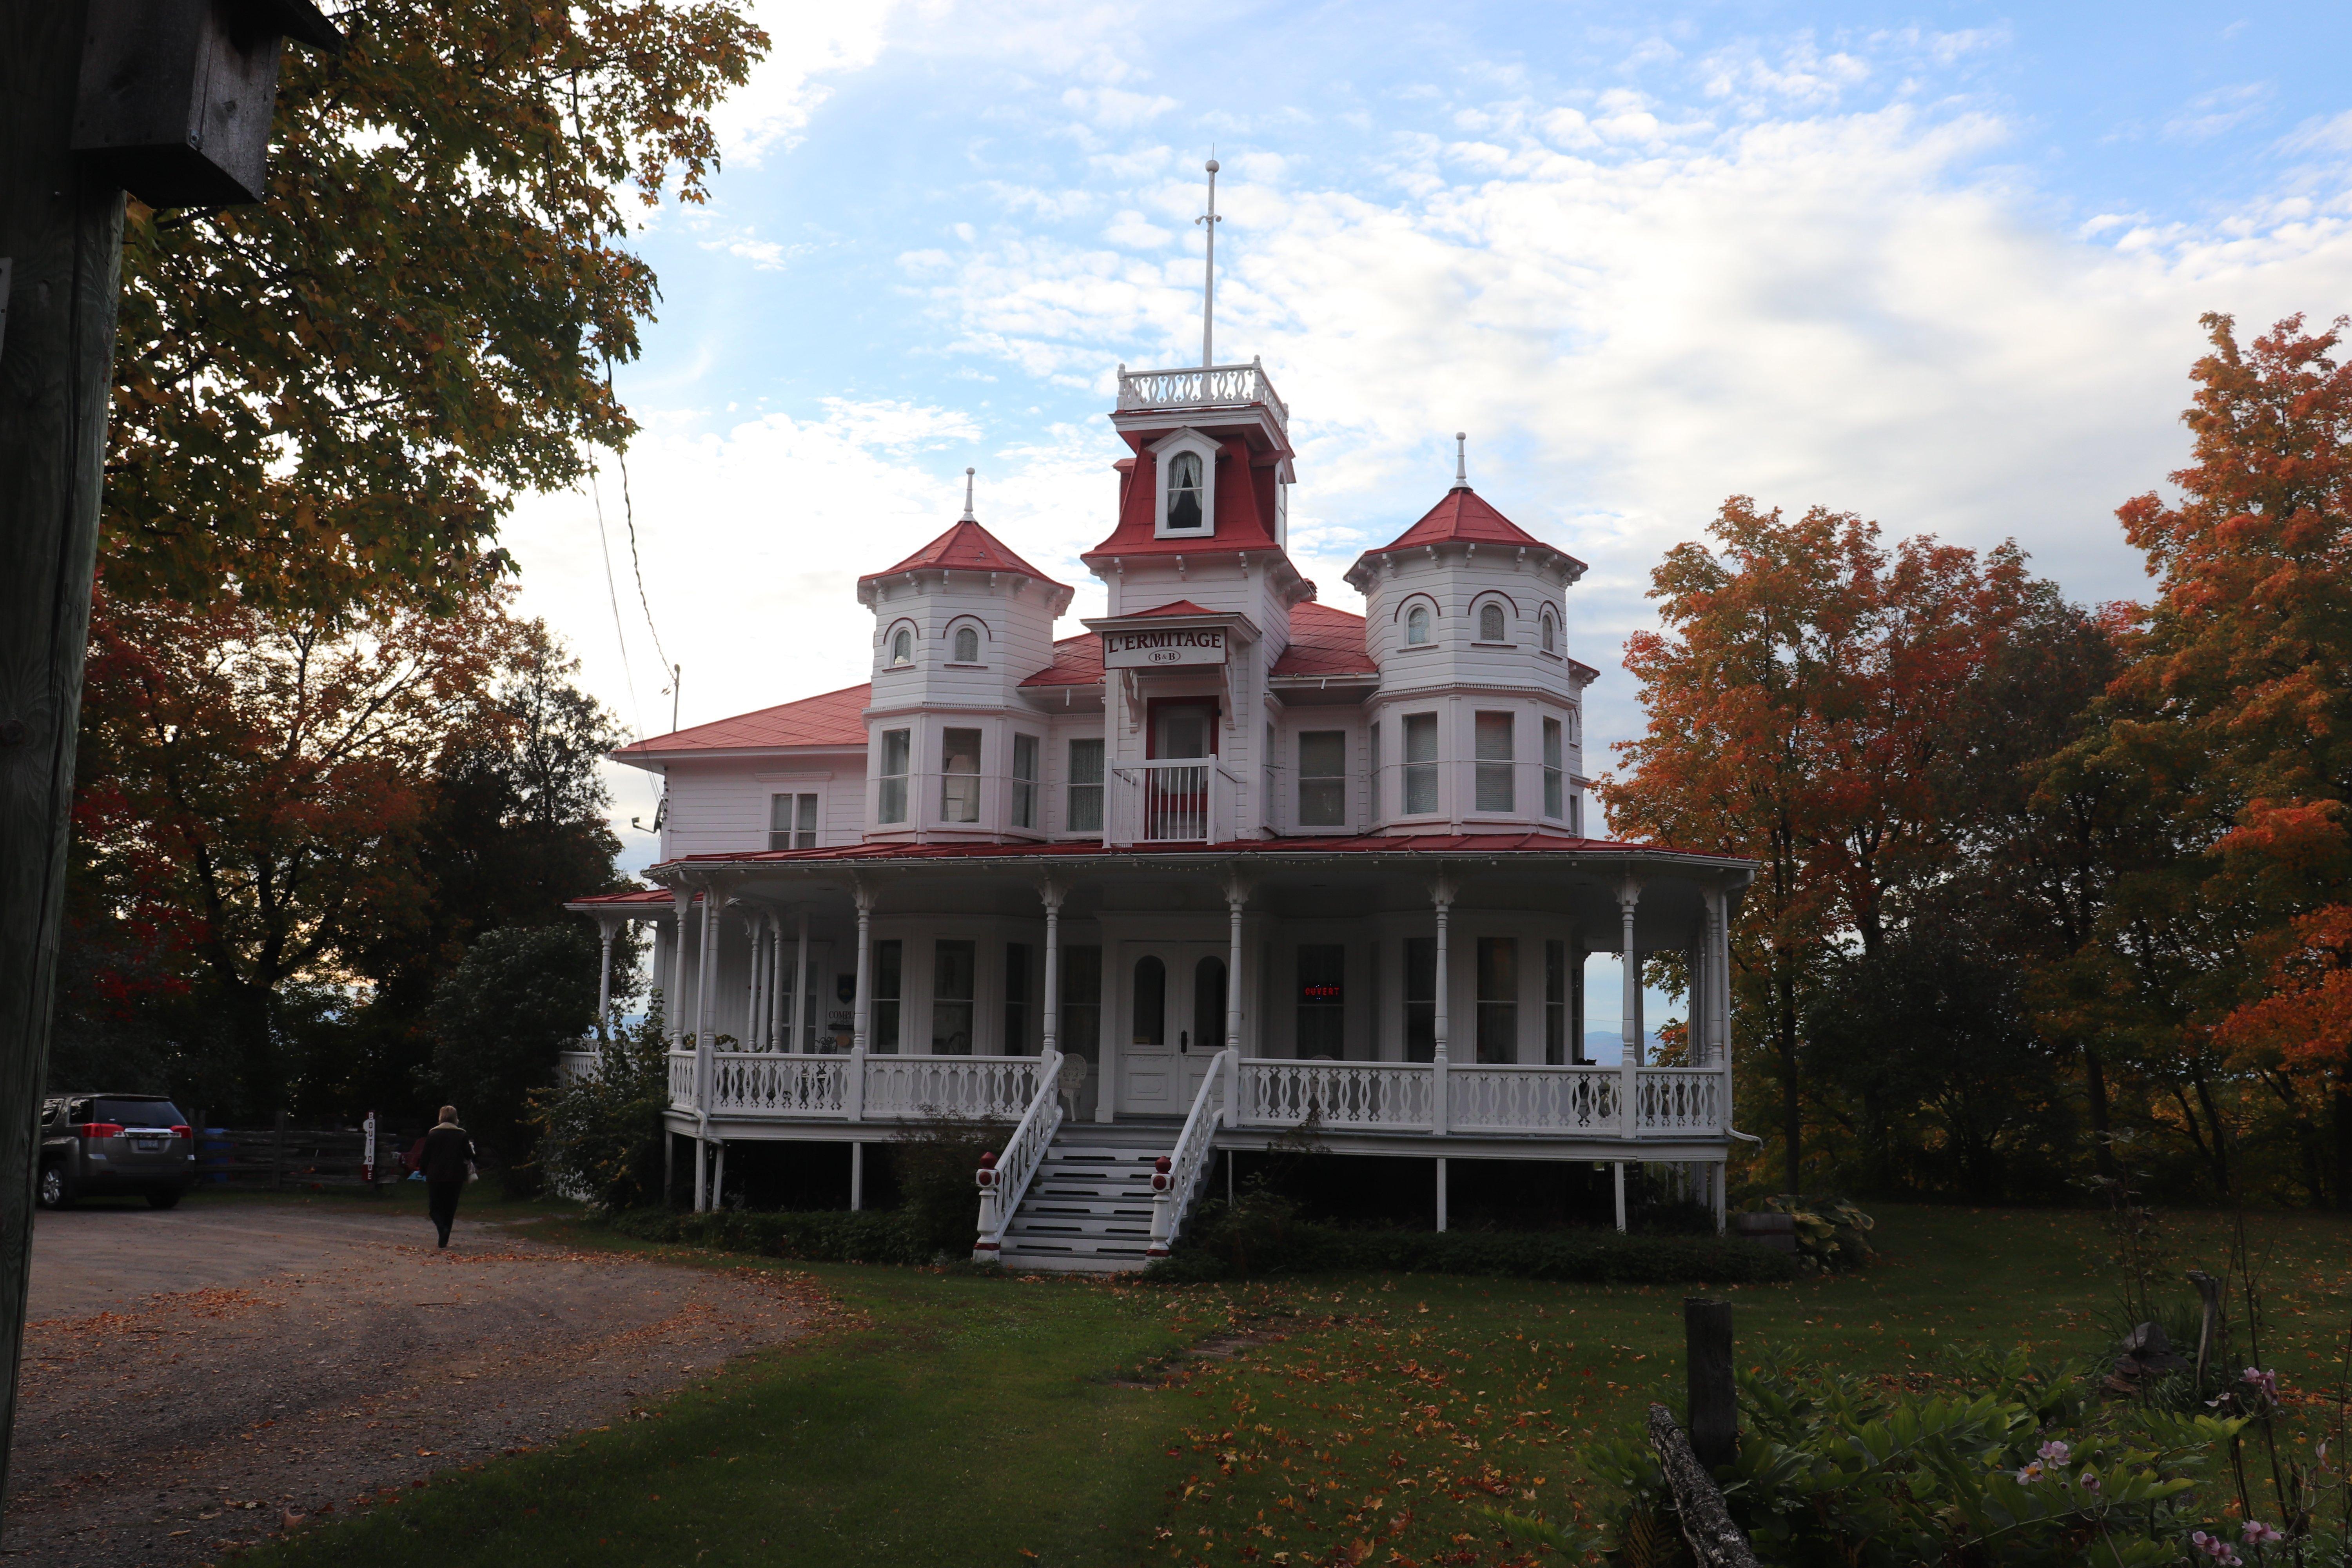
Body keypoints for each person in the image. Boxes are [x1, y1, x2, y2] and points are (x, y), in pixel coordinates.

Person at [419, 1106, 475, 1248]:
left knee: (434, 1208)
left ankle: (441, 1229)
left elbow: (426, 1155)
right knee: (450, 1207)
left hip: (436, 1175)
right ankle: (444, 1238)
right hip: (456, 1176)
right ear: (455, 1117)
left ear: (441, 1117)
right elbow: (469, 1155)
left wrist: (423, 1170)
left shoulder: (433, 1133)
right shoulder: (462, 1134)